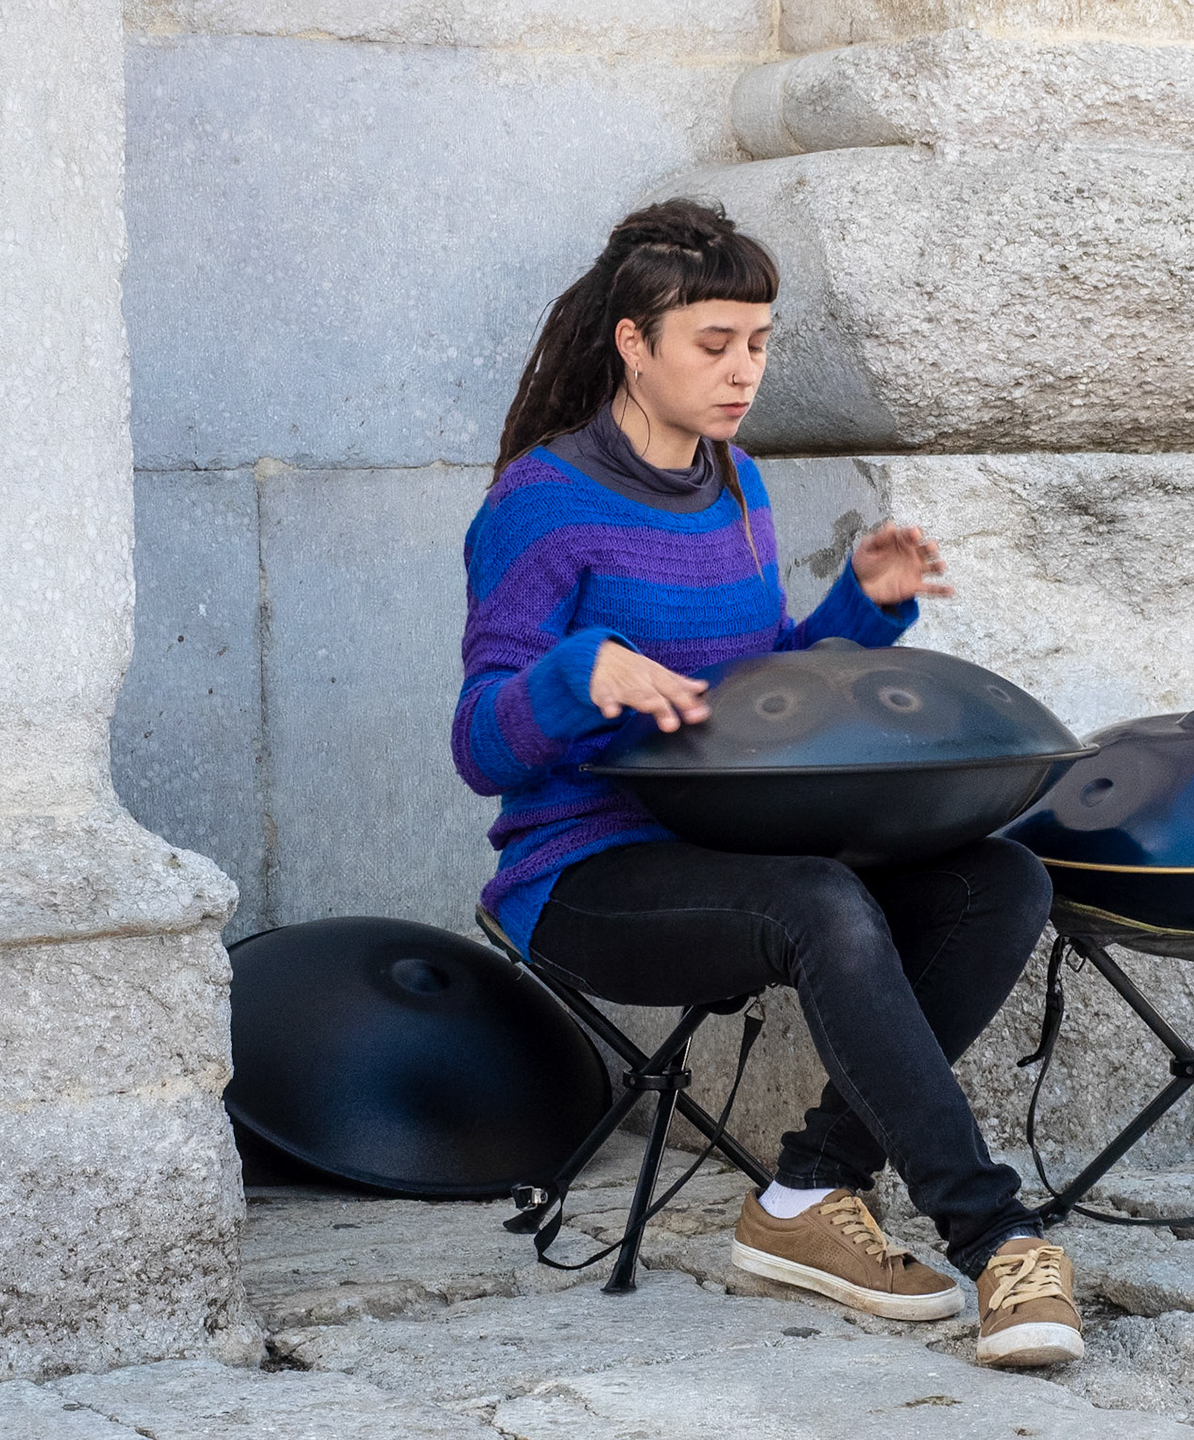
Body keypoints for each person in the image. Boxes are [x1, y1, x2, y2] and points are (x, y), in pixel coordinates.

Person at [451, 198, 1083, 1368]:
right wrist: (575, 677)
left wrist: (863, 610)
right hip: (583, 870)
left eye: (757, 343)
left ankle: (805, 1198)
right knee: (818, 902)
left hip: (734, 841)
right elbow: (480, 742)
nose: (743, 373)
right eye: (713, 345)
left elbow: (758, 692)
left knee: (1001, 882)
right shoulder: (540, 507)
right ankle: (995, 1239)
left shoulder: (735, 483)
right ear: (632, 343)